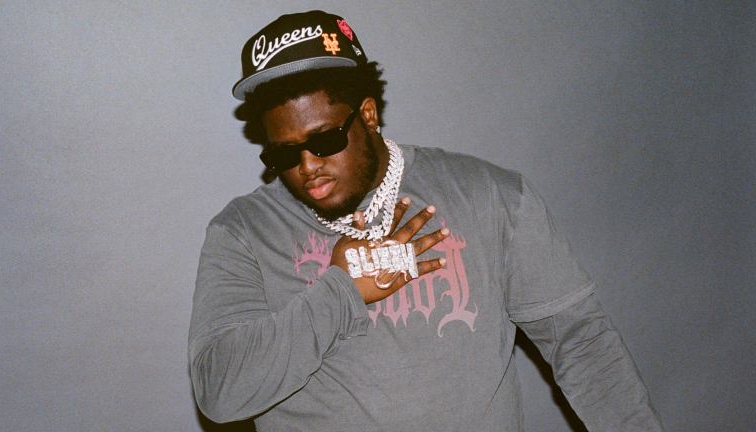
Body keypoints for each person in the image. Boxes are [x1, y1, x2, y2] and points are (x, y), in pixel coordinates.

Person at [189, 10, 663, 431]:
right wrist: (341, 291)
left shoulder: (491, 196)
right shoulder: (243, 233)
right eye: (284, 153)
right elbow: (220, 393)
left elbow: (583, 345)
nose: (308, 166)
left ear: (367, 115)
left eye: (325, 141)